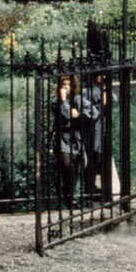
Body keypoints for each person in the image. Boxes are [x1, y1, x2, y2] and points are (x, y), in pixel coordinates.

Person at [51, 75, 88, 208]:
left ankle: (71, 196)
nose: (66, 87)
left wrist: (78, 114)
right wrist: (63, 101)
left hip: (76, 137)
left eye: (69, 85)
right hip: (62, 137)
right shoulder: (56, 102)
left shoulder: (78, 99)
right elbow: (65, 116)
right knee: (66, 164)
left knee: (74, 167)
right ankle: (65, 195)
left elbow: (92, 113)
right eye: (63, 85)